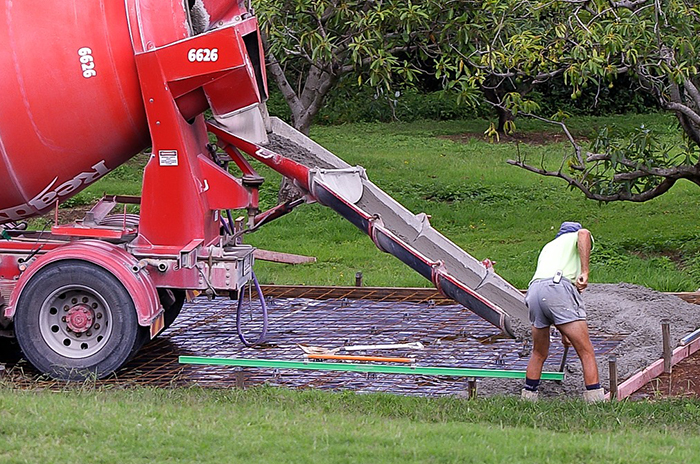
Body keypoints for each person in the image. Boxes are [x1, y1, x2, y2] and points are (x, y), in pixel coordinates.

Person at [521, 221, 605, 402]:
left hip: (534, 291)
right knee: (586, 351)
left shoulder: (549, 247)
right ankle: (595, 399)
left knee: (538, 353)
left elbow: (549, 302)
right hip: (558, 286)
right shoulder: (576, 236)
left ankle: (528, 397)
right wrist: (585, 271)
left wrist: (564, 332)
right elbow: (584, 234)